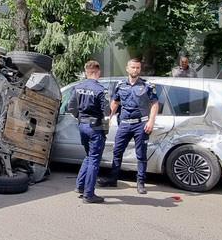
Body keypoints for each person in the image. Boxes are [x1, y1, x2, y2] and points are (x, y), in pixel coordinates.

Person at [109, 57, 160, 194]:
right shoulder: (120, 85)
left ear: (140, 69)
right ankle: (113, 179)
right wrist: (108, 118)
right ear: (127, 68)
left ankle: (141, 183)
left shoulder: (147, 86)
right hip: (124, 124)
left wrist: (151, 121)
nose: (135, 70)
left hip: (140, 125)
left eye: (137, 67)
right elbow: (115, 103)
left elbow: (155, 104)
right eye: (133, 67)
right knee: (117, 152)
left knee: (141, 155)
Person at [66, 60, 111, 203]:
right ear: (98, 73)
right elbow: (107, 111)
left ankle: (80, 186)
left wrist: (79, 117)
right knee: (94, 160)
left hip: (82, 125)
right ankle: (89, 195)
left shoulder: (77, 87)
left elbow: (70, 107)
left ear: (86, 73)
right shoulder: (101, 90)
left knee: (89, 156)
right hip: (95, 127)